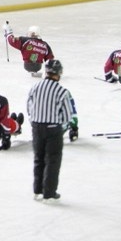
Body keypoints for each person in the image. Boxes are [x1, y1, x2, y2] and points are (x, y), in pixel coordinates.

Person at [26, 59, 75, 203]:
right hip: (53, 129)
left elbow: (29, 107)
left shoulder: (35, 87)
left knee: (38, 158)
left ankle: (38, 190)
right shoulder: (61, 91)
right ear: (59, 73)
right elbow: (67, 116)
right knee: (52, 160)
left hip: (36, 127)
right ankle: (49, 193)